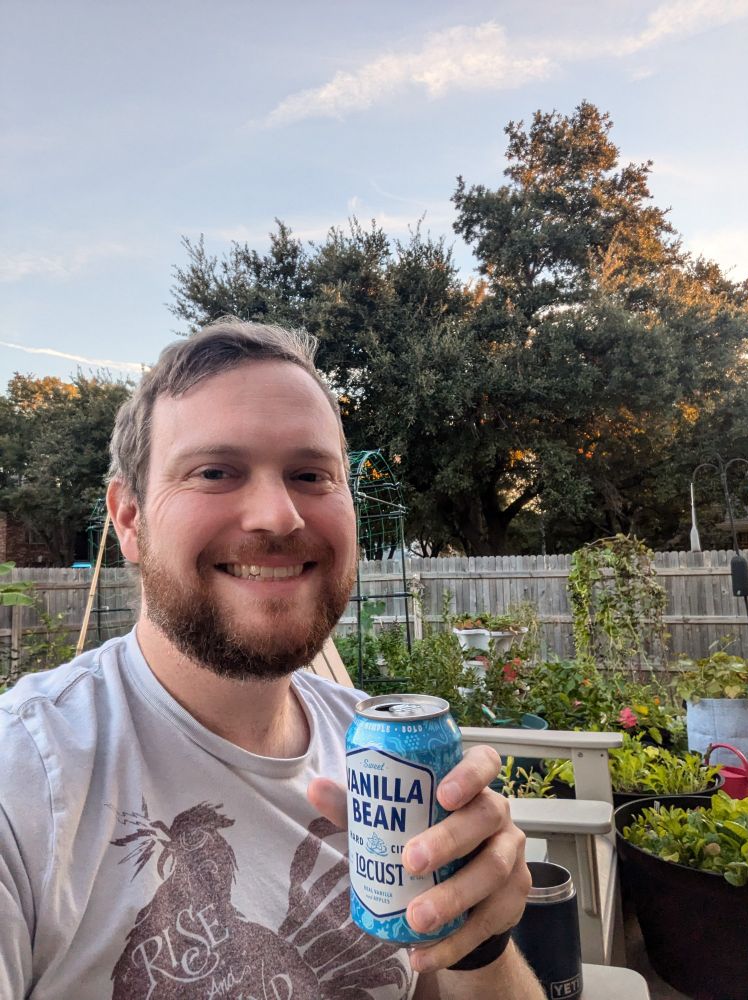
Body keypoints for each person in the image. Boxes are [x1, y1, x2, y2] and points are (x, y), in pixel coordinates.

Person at [0, 320, 543, 999]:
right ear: (130, 520)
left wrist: (476, 943)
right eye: (215, 472)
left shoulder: (379, 761)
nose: (278, 516)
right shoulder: (24, 776)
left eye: (310, 474)